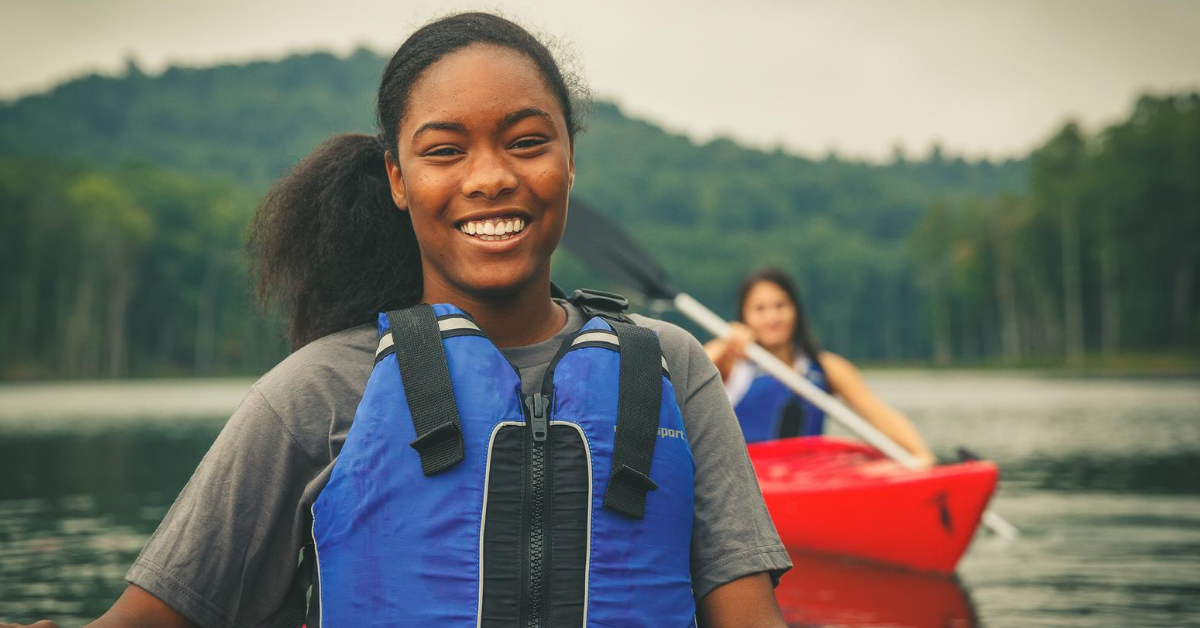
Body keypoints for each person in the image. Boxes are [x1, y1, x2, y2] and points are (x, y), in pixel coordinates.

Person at [2, 13, 790, 628]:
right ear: (397, 178)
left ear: (570, 161)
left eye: (526, 142)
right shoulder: (317, 391)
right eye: (445, 151)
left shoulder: (673, 370)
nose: (490, 177)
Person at [704, 268, 936, 467]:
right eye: (760, 309)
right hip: (747, 487)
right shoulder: (730, 364)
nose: (772, 317)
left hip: (805, 482)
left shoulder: (825, 367)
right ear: (744, 316)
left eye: (780, 305)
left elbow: (880, 414)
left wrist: (921, 455)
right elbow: (685, 378)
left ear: (795, 310)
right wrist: (725, 343)